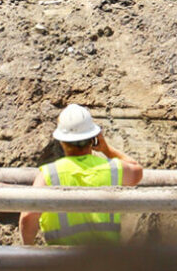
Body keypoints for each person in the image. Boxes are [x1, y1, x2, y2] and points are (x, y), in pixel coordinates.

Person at [19, 104, 143, 247]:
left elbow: (28, 217)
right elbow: (136, 170)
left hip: (60, 261)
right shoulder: (112, 169)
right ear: (93, 138)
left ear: (62, 141)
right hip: (106, 260)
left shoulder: (49, 174)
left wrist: (29, 249)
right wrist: (107, 149)